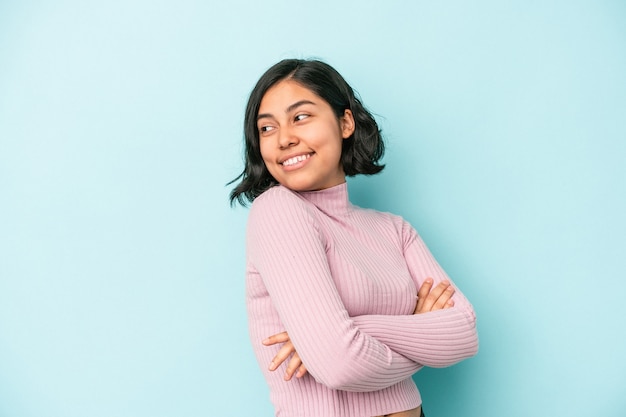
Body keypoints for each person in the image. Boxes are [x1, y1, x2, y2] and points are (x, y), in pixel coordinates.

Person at [230, 59, 478, 417]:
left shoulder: (394, 229)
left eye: (301, 117)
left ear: (345, 123)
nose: (284, 138)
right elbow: (339, 365)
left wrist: (357, 328)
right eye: (267, 128)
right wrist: (420, 329)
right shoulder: (279, 210)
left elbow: (465, 333)